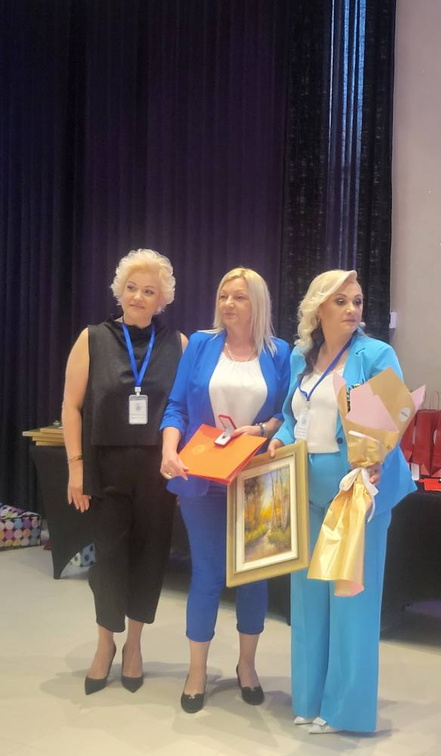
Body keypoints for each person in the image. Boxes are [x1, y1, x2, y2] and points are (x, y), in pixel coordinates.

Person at [268, 269, 416, 734]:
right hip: (305, 491)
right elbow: (294, 415)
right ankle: (309, 698)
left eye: (357, 301)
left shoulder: (376, 355)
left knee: (351, 603)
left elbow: (393, 417)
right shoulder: (300, 356)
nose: (353, 309)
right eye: (341, 301)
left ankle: (345, 710)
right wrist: (280, 440)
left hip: (357, 497)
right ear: (318, 309)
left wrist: (376, 458)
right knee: (308, 598)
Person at [159, 267, 290, 713]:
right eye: (223, 295)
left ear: (258, 303)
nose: (228, 303)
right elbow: (176, 406)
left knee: (253, 577)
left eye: (239, 297)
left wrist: (263, 429)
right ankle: (196, 671)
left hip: (255, 478)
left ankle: (246, 666)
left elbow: (287, 414)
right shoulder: (200, 344)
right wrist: (169, 449)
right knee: (208, 575)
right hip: (201, 476)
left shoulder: (280, 352)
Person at [62, 248, 187, 695]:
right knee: (109, 562)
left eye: (149, 291)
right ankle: (105, 644)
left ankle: (134, 644)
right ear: (120, 290)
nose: (138, 297)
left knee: (150, 558)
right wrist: (75, 467)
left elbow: (186, 407)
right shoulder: (93, 338)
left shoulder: (179, 344)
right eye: (131, 288)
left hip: (157, 473)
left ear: (162, 299)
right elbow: (71, 406)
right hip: (107, 469)